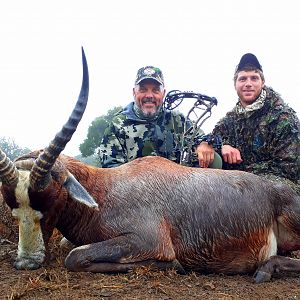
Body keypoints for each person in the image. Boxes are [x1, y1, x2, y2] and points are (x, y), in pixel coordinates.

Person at [199, 53, 300, 192]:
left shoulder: (283, 118)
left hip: (279, 192)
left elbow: (289, 169)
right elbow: (212, 137)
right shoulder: (231, 119)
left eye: (254, 78)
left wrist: (242, 176)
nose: (248, 84)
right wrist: (218, 146)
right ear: (235, 84)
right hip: (240, 188)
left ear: (262, 82)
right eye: (242, 79)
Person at [98, 65, 222, 169]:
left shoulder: (177, 119)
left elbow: (201, 137)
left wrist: (204, 144)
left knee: (215, 159)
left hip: (177, 188)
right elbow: (111, 170)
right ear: (134, 93)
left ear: (163, 93)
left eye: (155, 90)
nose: (149, 95)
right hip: (136, 193)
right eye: (143, 90)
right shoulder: (117, 125)